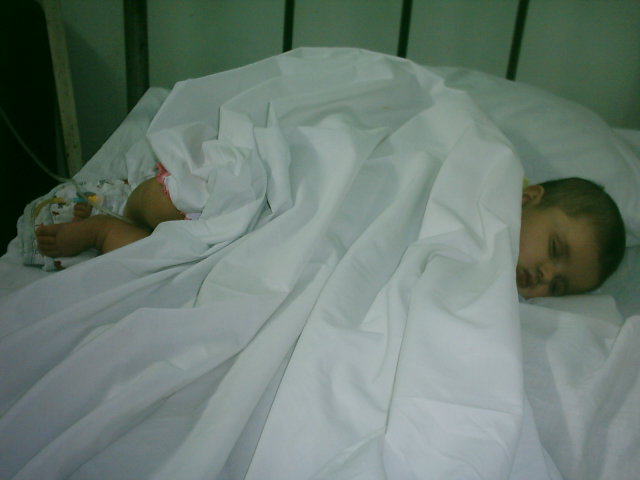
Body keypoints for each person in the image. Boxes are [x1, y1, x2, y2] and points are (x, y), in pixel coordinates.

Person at [36, 174, 626, 298]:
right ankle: (139, 210)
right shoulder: (476, 177)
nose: (543, 276)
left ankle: (108, 231)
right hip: (301, 203)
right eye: (555, 250)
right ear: (527, 197)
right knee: (166, 202)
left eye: (560, 286)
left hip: (297, 257)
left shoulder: (485, 286)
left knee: (192, 268)